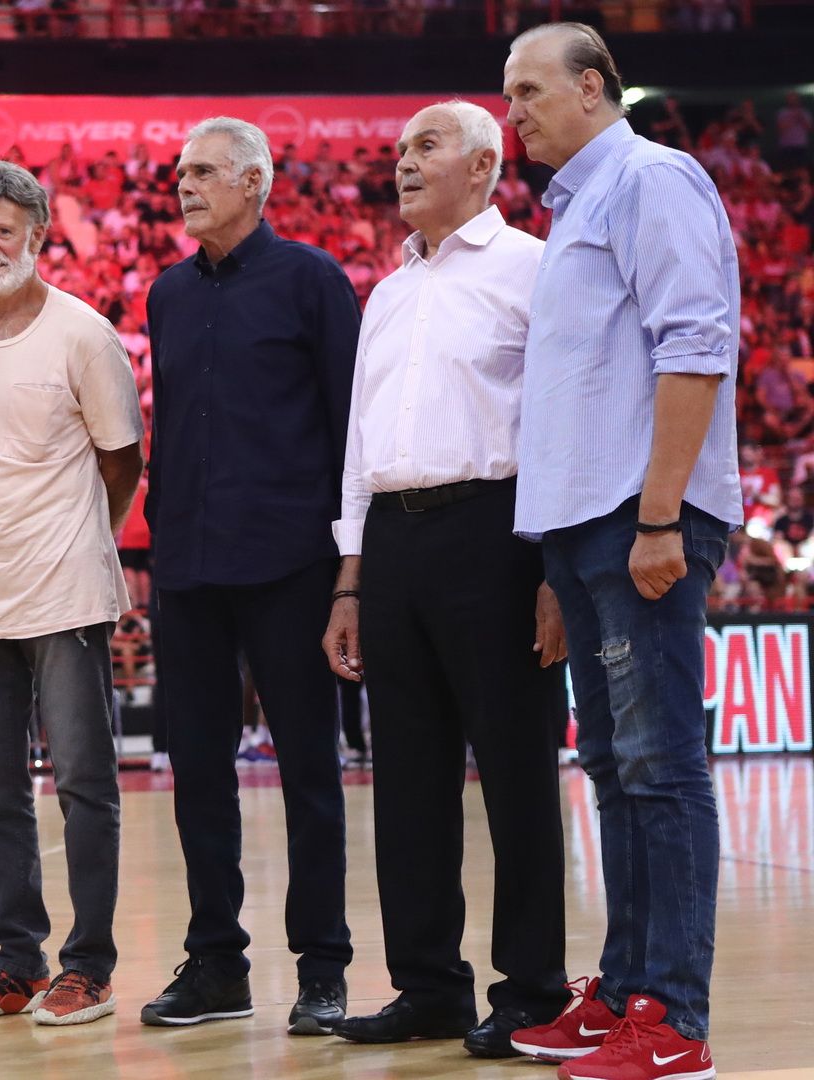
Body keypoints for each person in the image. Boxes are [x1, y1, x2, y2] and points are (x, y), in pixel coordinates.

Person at [500, 25, 741, 1080]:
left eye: (529, 89)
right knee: (611, 766)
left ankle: (673, 1017)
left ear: (593, 87)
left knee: (659, 766)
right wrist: (558, 561)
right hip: (585, 526)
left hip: (639, 519)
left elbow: (696, 345)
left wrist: (659, 517)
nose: (513, 111)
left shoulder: (654, 179)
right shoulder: (577, 209)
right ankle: (624, 987)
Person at [318, 101, 571, 1060]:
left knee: (515, 772)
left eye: (425, 145)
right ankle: (427, 986)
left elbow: (559, 422)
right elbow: (359, 449)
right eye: (398, 150)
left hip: (497, 532)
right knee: (408, 779)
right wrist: (350, 581)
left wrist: (553, 565)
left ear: (483, 164)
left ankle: (532, 990)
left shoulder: (535, 269)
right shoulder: (386, 294)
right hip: (393, 540)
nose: (404, 162)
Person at [139, 116, 359, 1036]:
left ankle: (323, 968)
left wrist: (350, 573)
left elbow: (351, 429)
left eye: (203, 172)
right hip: (189, 568)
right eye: (180, 174)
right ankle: (216, 965)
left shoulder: (313, 280)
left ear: (254, 182)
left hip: (291, 564)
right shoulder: (166, 293)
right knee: (197, 773)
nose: (184, 187)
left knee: (309, 770)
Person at [0, 161, 143, 1028]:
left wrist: (88, 537)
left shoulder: (84, 334)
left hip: (65, 592)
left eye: (2, 231)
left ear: (38, 235)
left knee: (85, 784)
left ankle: (88, 967)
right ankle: (16, 962)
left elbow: (122, 459)